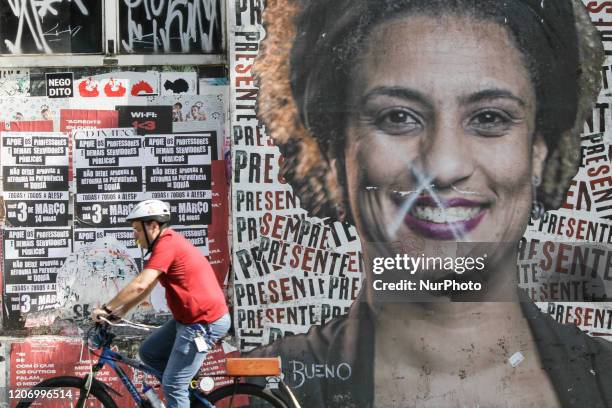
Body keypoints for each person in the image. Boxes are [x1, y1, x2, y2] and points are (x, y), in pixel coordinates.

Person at [247, 0, 612, 406]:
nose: (443, 167)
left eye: (489, 118)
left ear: (538, 153)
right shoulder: (262, 391)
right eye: (398, 117)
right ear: (335, 156)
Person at [92, 200, 230, 408]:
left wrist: (107, 308)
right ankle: (187, 398)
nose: (134, 235)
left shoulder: (168, 243)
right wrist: (123, 312)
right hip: (188, 320)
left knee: (174, 384)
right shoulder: (164, 245)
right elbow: (147, 287)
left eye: (138, 229)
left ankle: (180, 391)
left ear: (153, 226)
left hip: (203, 322)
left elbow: (140, 284)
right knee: (149, 352)